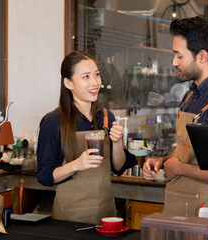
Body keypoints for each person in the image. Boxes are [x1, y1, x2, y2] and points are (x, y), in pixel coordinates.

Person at [143, 16, 208, 216]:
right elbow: (188, 153)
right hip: (180, 212)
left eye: (179, 55)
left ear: (201, 56)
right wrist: (164, 161)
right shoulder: (191, 95)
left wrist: (180, 169)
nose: (174, 62)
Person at [37, 51, 137, 224]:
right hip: (69, 218)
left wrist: (118, 142)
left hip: (106, 214)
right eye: (86, 77)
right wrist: (77, 164)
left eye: (97, 75)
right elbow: (45, 176)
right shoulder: (53, 122)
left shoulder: (106, 117)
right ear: (68, 83)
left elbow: (118, 168)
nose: (95, 82)